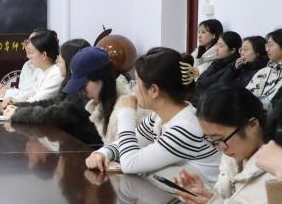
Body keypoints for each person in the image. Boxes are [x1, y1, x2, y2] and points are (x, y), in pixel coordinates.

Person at [86, 48, 221, 184]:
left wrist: (126, 112)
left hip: (204, 195)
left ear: (154, 90)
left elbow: (129, 163)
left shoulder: (186, 128)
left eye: (136, 83)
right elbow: (128, 143)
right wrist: (102, 153)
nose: (133, 89)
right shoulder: (159, 117)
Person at [172, 86, 273, 204]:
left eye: (220, 139)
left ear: (252, 124)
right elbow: (226, 201)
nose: (220, 149)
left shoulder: (280, 176)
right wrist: (200, 194)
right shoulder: (234, 157)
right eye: (212, 141)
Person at [3, 40, 103, 146]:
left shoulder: (84, 86)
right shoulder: (68, 81)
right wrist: (19, 106)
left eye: (60, 61)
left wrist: (19, 113)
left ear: (71, 64)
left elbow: (58, 114)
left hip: (85, 147)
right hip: (70, 142)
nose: (57, 64)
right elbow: (54, 102)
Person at [1, 30, 61, 104]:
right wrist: (14, 100)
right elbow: (32, 93)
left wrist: (16, 104)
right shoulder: (43, 71)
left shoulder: (56, 74)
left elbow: (38, 100)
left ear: (44, 55)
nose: (28, 56)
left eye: (32, 52)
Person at [247, 28, 282, 105]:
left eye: (271, 45)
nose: (267, 49)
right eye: (267, 45)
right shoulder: (263, 71)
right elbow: (246, 95)